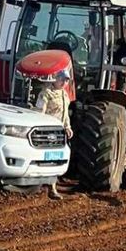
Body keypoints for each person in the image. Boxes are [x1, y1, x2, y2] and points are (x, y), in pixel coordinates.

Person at [35, 70, 73, 200]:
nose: (64, 82)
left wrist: (67, 127)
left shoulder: (65, 95)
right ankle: (39, 187)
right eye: (62, 79)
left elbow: (65, 114)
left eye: (66, 80)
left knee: (55, 159)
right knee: (45, 158)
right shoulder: (46, 94)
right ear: (55, 79)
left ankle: (52, 188)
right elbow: (40, 113)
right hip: (48, 131)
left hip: (59, 132)